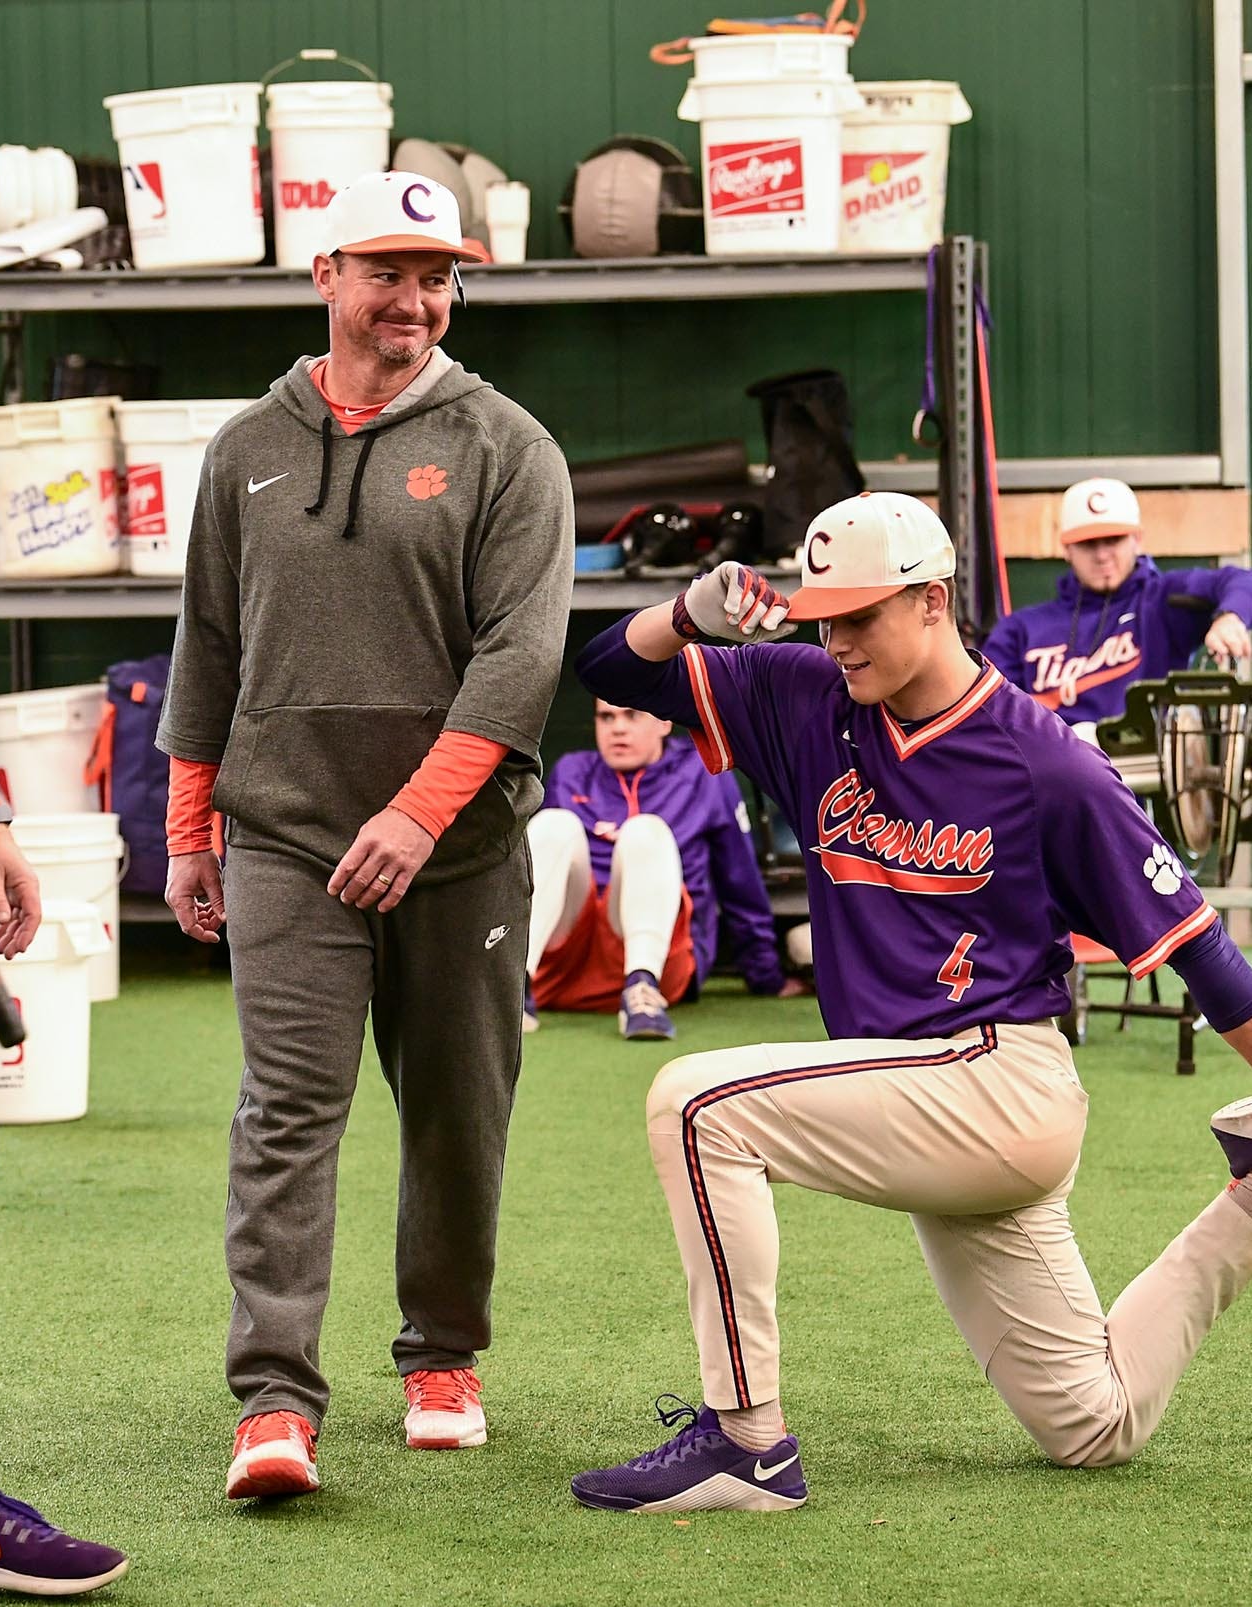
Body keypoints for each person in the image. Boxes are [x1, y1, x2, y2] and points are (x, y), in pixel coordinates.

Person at [569, 490, 1252, 1513]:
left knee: (697, 1103)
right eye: (825, 617)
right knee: (1091, 1422)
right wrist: (687, 613)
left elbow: (1205, 953)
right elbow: (611, 670)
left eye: (861, 614)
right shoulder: (808, 698)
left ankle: (747, 1442)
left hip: (997, 1080)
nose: (837, 638)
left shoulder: (1047, 761)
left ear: (934, 600)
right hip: (926, 1095)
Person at [159, 170, 573, 1499]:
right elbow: (206, 646)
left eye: (438, 277)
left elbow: (520, 656)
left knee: (457, 1111)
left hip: (455, 845)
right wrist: (188, 826)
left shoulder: (509, 445)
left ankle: (441, 1351)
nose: (415, 300)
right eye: (388, 271)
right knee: (285, 1109)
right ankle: (273, 1398)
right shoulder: (243, 450)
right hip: (283, 833)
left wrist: (415, 809)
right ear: (325, 273)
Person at [526, 697, 802, 1042]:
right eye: (607, 717)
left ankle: (641, 990)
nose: (618, 728)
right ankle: (513, 987)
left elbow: (739, 881)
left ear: (664, 723)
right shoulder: (573, 772)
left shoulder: (703, 773)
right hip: (566, 968)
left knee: (645, 831)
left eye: (632, 715)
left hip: (663, 966)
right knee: (554, 824)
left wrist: (766, 976)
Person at [981, 477, 1252, 734]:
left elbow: (1239, 581)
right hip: (1056, 769)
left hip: (1144, 765)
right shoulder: (1021, 628)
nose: (1102, 555)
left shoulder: (1160, 600)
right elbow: (991, 711)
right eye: (1088, 543)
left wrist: (1230, 618)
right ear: (1066, 548)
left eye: (1113, 540)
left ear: (1137, 539)